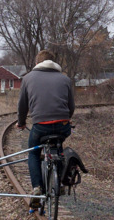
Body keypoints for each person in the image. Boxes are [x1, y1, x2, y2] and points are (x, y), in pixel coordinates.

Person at [16, 49, 75, 209]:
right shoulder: (65, 79)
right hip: (62, 125)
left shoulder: (28, 78)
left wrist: (21, 122)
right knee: (58, 146)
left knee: (33, 153)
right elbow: (71, 107)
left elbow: (22, 106)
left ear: (37, 62)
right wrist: (65, 118)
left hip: (40, 126)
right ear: (55, 63)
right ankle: (61, 181)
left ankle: (37, 188)